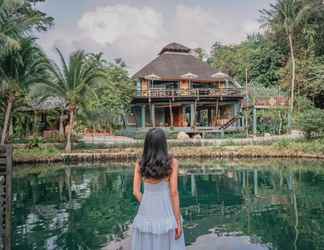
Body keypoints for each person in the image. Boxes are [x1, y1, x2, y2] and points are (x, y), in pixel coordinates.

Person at [132, 128, 186, 250]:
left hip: (146, 212)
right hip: (166, 211)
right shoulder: (172, 162)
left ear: (147, 144)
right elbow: (174, 192)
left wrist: (147, 202)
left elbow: (135, 192)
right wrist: (177, 221)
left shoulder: (140, 163)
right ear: (163, 144)